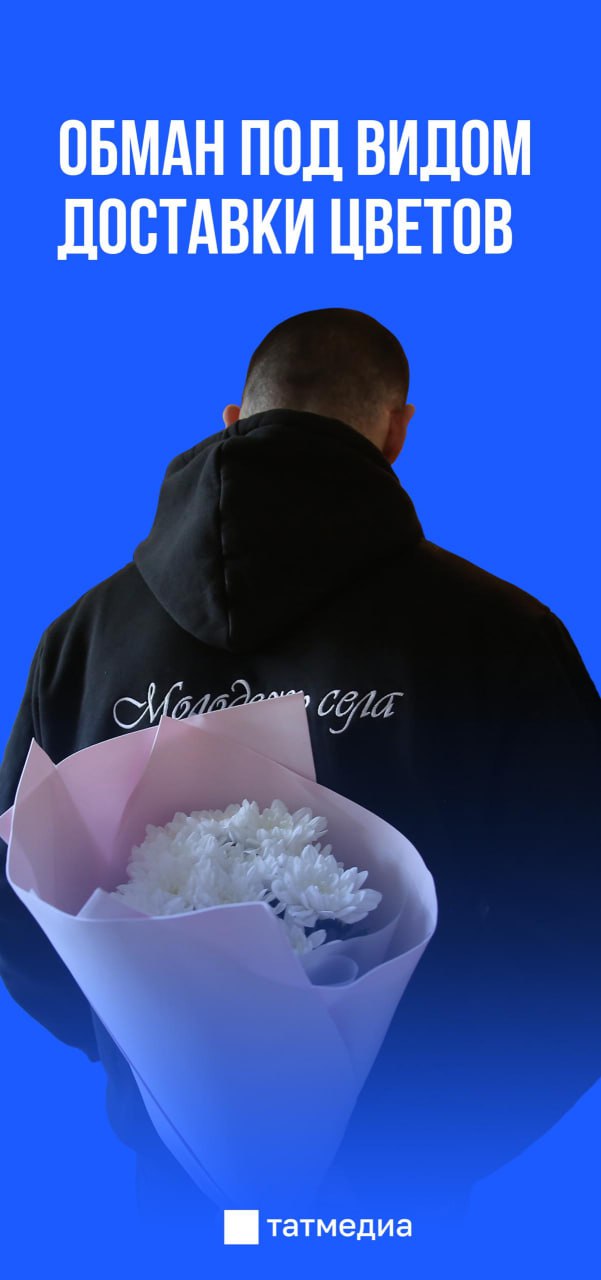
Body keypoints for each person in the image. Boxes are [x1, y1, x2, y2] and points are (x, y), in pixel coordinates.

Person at [0, 308, 599, 1221]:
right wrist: (442, 1130)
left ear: (234, 418)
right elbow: (576, 929)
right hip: (404, 1183)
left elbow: (19, 910)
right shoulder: (501, 636)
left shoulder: (81, 639)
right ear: (395, 430)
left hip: (175, 1187)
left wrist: (153, 1061)